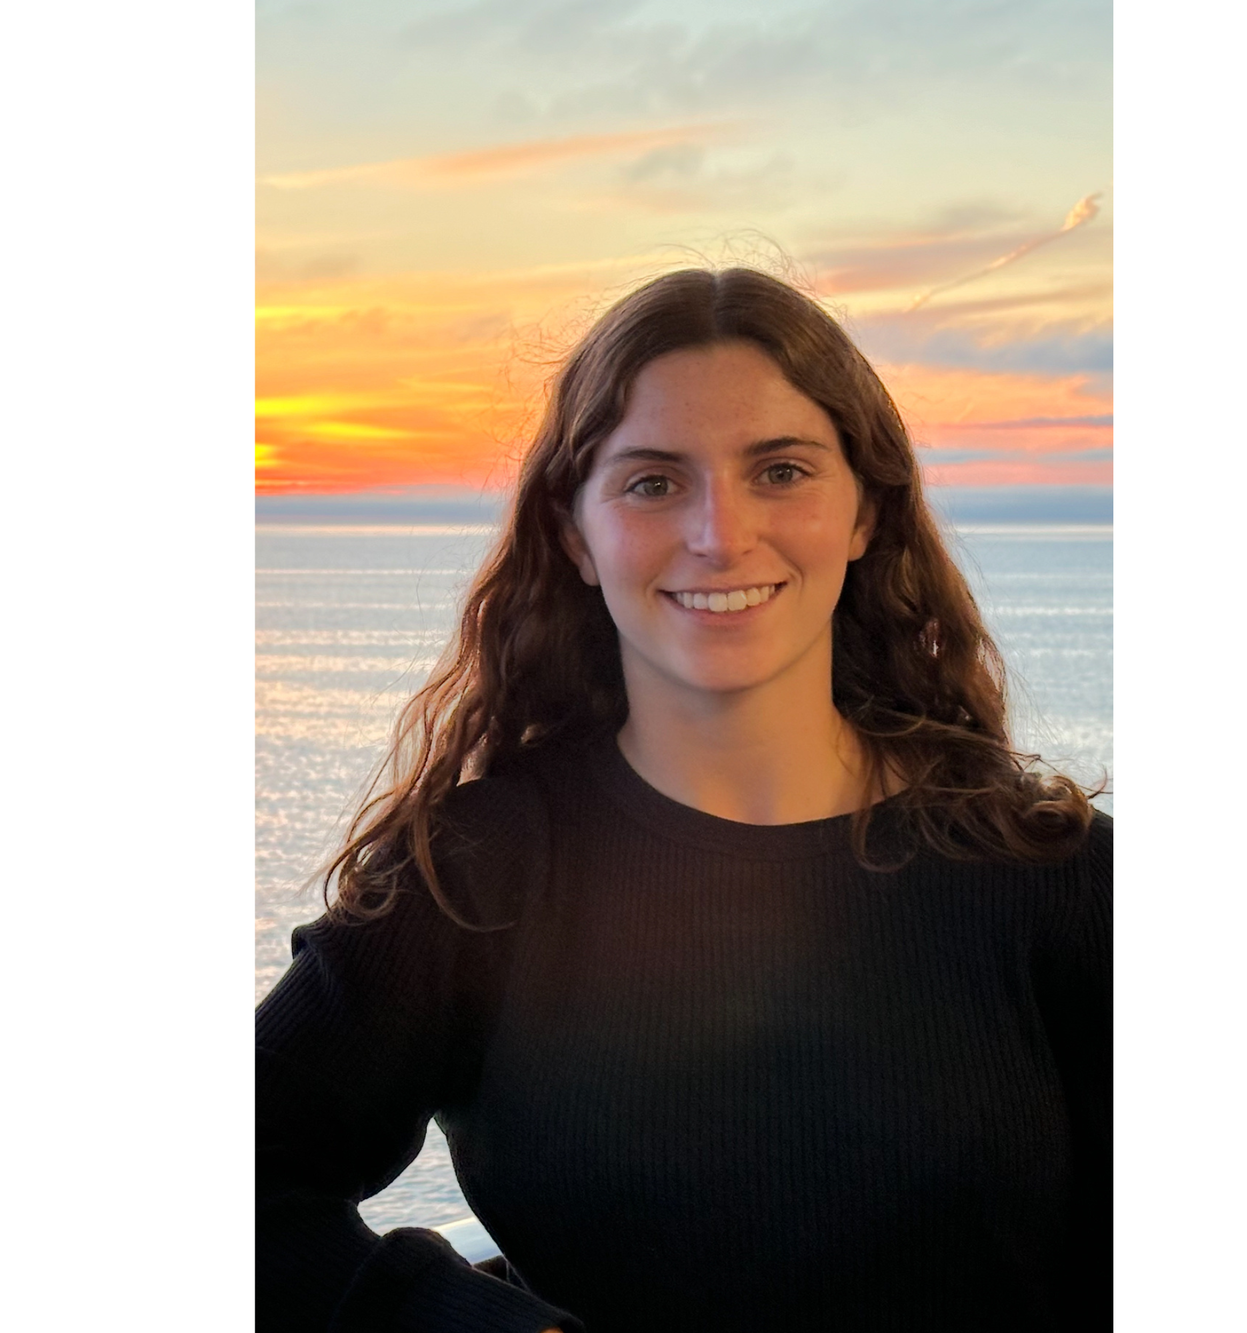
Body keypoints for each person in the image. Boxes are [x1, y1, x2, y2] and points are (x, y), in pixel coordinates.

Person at [256, 267, 1110, 1332]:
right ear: (574, 532)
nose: (719, 533)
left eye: (781, 470)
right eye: (653, 482)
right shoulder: (475, 877)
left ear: (862, 513)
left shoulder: (1056, 879)